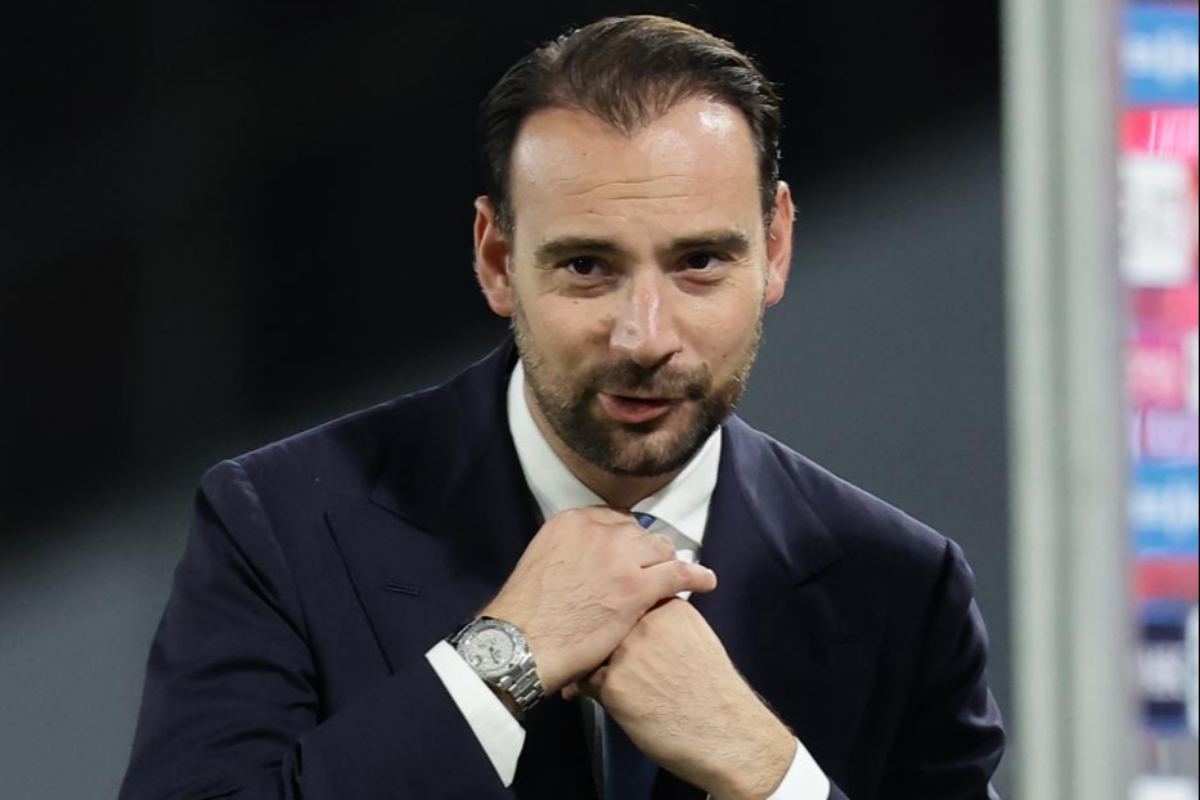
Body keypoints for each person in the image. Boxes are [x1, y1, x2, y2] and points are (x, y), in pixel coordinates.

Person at [120, 14, 1004, 800]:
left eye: (699, 262)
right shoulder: (282, 524)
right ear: (497, 260)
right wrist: (498, 664)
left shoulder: (901, 586)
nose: (644, 336)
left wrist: (767, 773)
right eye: (587, 266)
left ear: (774, 248)